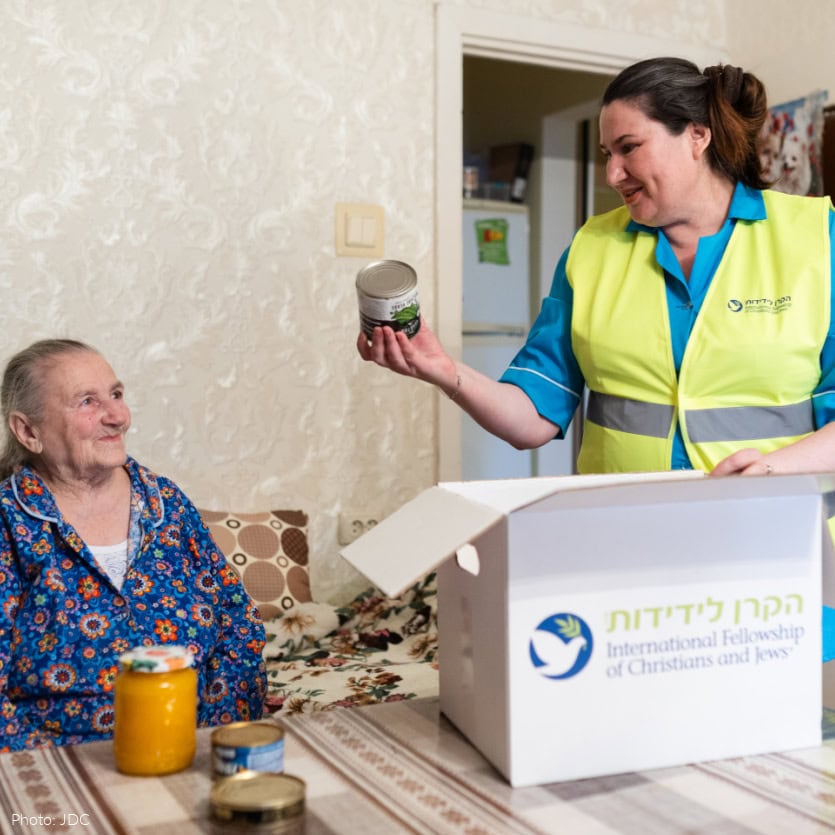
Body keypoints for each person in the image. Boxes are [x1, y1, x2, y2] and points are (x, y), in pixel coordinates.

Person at [357, 56, 835, 480]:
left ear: (696, 135)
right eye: (608, 154)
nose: (613, 175)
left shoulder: (816, 236)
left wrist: (774, 469)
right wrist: (445, 371)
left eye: (629, 147)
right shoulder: (591, 251)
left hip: (776, 535)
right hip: (624, 537)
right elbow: (533, 416)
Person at [0, 339, 266, 751]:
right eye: (87, 401)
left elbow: (238, 619)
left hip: (192, 740)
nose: (117, 417)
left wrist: (216, 730)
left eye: (117, 395)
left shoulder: (165, 503)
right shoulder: (9, 522)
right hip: (60, 755)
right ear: (28, 430)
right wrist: (43, 767)